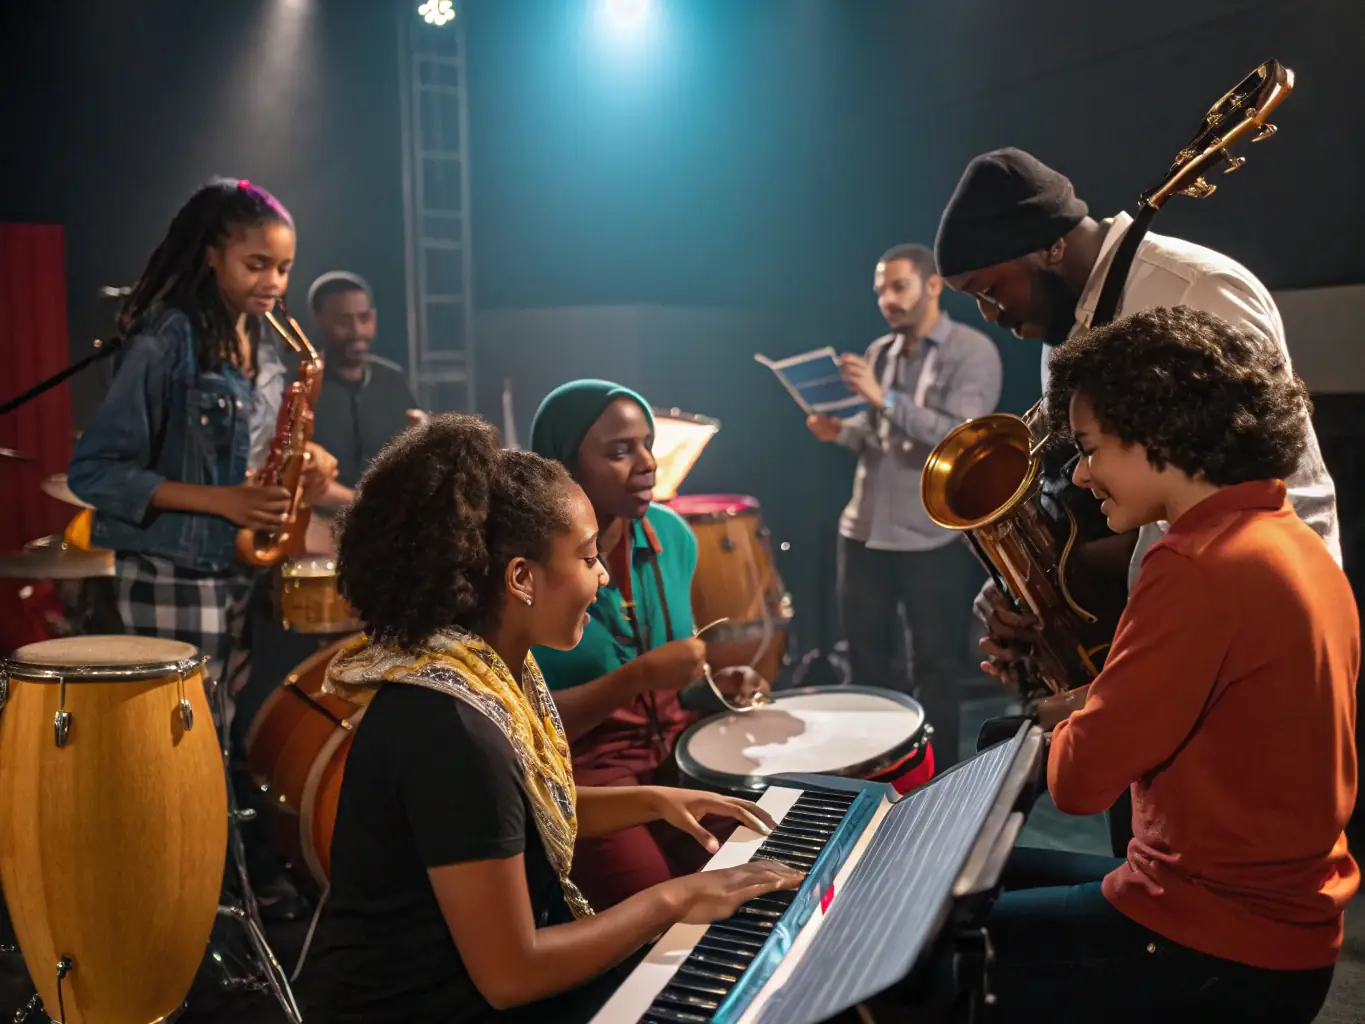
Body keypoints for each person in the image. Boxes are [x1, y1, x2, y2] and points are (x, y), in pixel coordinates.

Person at [301, 414, 801, 1024]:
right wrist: (672, 898)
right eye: (590, 557)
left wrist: (650, 799)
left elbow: (511, 818)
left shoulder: (488, 666)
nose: (604, 575)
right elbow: (513, 974)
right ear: (522, 579)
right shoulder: (451, 731)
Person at [977, 306, 1358, 1023]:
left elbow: (1082, 784)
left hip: (1213, 946)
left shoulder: (1192, 564)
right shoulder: (1287, 540)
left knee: (932, 948)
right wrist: (1088, 701)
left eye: (1089, 449)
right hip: (1282, 924)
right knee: (974, 884)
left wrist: (1050, 720)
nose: (1084, 476)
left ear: (1153, 432)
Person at [933, 147, 1340, 690]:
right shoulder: (1063, 342)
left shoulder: (1193, 291)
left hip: (1260, 622)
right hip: (1174, 617)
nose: (990, 314)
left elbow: (1243, 500)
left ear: (1050, 247)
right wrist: (1029, 587)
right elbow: (1111, 507)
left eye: (989, 290)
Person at [67, 177, 336, 696]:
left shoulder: (265, 340)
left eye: (283, 268)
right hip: (172, 571)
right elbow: (94, 471)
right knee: (189, 743)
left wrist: (308, 458)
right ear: (211, 255)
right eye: (255, 265)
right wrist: (223, 501)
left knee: (221, 737)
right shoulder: (167, 339)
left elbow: (252, 446)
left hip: (233, 571)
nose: (274, 283)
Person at [528, 379, 771, 909]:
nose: (647, 464)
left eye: (646, 444)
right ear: (564, 467)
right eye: (619, 451)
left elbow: (670, 692)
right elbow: (521, 729)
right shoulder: (529, 567)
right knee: (667, 919)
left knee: (761, 883)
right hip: (588, 784)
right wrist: (635, 678)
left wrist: (712, 688)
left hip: (680, 762)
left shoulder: (673, 536)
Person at [806, 243, 1001, 766]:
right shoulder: (879, 353)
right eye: (880, 291)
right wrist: (837, 431)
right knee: (864, 662)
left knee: (934, 667)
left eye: (898, 286)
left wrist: (883, 399)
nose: (887, 300)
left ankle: (938, 784)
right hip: (864, 529)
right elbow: (873, 436)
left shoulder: (972, 350)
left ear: (932, 286)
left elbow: (959, 438)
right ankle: (870, 773)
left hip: (928, 535)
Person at [306, 270, 421, 508]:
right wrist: (365, 507)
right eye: (343, 321)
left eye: (364, 319)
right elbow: (300, 477)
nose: (357, 331)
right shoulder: (300, 385)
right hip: (317, 529)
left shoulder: (393, 380)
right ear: (317, 319)